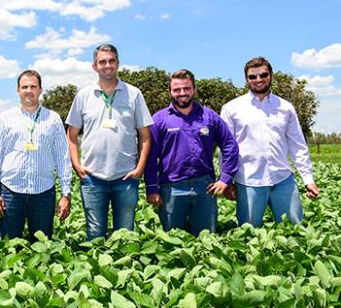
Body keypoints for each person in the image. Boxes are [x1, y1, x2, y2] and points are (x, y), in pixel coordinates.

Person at [66, 44, 152, 240]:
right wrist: (76, 164)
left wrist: (139, 169)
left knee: (125, 235)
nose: (107, 65)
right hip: (92, 177)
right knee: (95, 235)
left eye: (111, 61)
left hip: (126, 177)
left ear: (118, 64)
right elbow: (72, 134)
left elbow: (145, 135)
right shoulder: (83, 95)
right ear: (94, 66)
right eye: (102, 62)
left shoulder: (134, 94)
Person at [220, 56, 320, 227]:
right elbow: (226, 148)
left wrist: (308, 179)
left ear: (271, 75)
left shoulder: (286, 107)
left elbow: (298, 145)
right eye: (253, 76)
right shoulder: (232, 108)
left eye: (263, 75)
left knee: (294, 230)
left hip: (283, 180)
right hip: (248, 182)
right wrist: (226, 179)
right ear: (246, 79)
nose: (258, 80)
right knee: (249, 234)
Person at [144, 69, 239, 236]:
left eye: (186, 88)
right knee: (171, 242)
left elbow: (230, 146)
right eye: (177, 89)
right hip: (171, 188)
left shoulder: (210, 117)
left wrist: (225, 179)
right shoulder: (159, 119)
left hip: (205, 187)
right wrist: (152, 188)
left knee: (206, 240)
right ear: (170, 91)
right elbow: (150, 156)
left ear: (194, 89)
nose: (182, 93)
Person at [0, 70, 72, 240]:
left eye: (33, 86)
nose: (29, 90)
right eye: (24, 87)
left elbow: (63, 157)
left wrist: (66, 193)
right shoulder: (5, 118)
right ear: (18, 90)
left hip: (44, 193)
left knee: (42, 246)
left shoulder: (53, 119)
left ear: (40, 90)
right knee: (10, 245)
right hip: (10, 191)